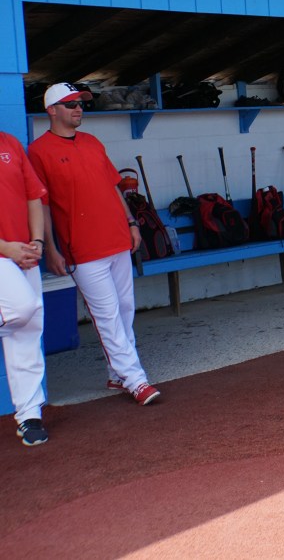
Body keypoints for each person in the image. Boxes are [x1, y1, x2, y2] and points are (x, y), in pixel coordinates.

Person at [28, 83, 160, 405]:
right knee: (108, 316)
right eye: (71, 104)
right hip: (83, 249)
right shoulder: (38, 151)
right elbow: (41, 205)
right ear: (51, 111)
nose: (78, 109)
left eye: (80, 103)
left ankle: (117, 374)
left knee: (125, 309)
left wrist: (131, 222)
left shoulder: (92, 142)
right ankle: (136, 379)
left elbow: (114, 187)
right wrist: (50, 248)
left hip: (116, 238)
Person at [0, 131, 49, 445]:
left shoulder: (10, 143)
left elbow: (34, 197)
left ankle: (29, 415)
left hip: (24, 252)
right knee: (23, 308)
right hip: (3, 253)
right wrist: (6, 248)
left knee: (29, 328)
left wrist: (37, 241)